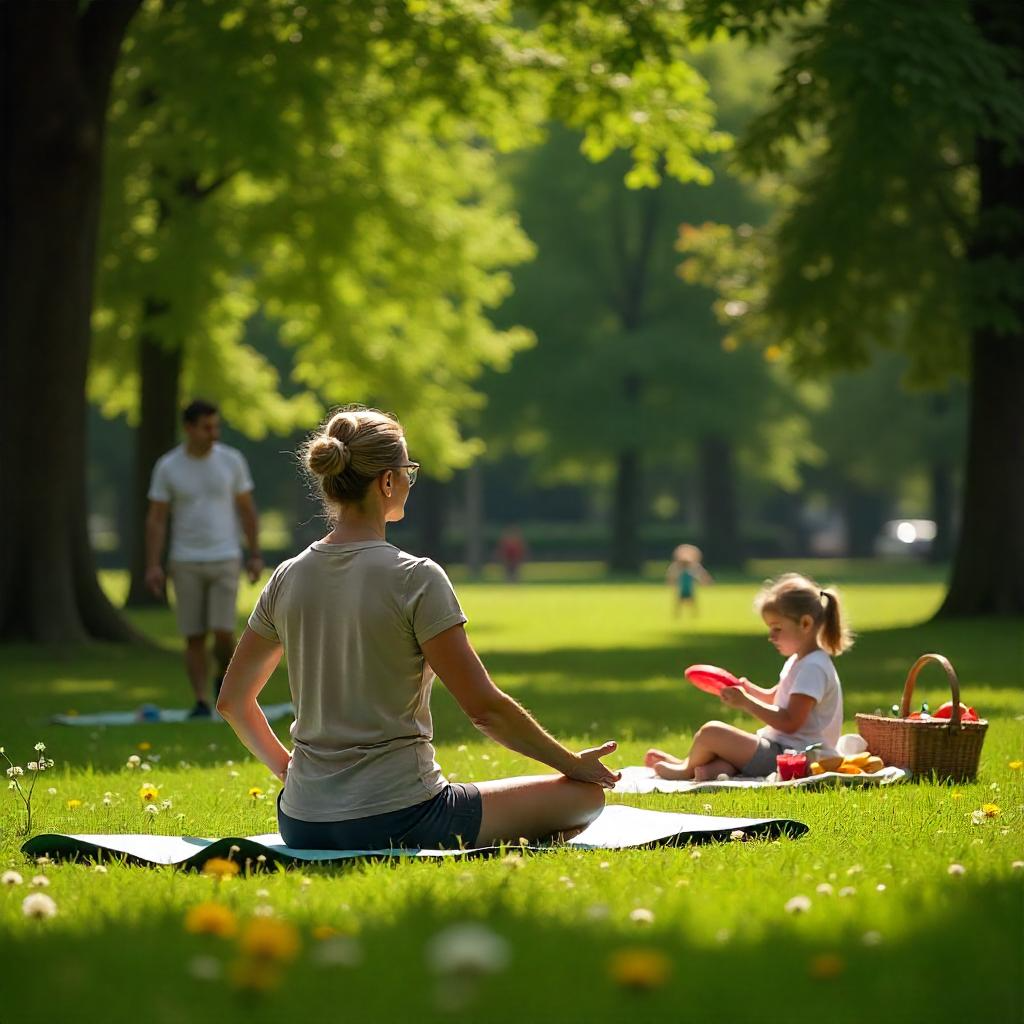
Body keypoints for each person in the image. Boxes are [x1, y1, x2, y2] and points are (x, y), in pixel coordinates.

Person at [216, 406, 619, 850]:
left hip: (301, 821)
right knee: (585, 797)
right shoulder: (416, 577)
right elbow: (484, 709)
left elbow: (234, 702)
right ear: (387, 481)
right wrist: (571, 764)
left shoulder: (286, 577)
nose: (410, 479)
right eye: (408, 469)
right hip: (405, 816)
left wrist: (289, 773)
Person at [645, 573, 852, 780]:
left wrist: (746, 702)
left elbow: (790, 721)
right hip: (784, 749)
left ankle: (685, 769)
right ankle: (705, 770)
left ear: (805, 624)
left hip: (798, 757)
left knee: (712, 732)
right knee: (723, 753)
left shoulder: (813, 668)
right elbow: (776, 698)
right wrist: (749, 690)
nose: (771, 637)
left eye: (777, 628)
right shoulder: (800, 661)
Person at [145, 399, 263, 718]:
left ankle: (221, 679)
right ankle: (200, 701)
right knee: (194, 635)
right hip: (185, 560)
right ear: (189, 429)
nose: (214, 433)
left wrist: (254, 554)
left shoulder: (231, 461)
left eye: (216, 426)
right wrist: (153, 564)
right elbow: (156, 518)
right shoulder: (168, 466)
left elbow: (246, 509)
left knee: (223, 632)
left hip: (225, 556)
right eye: (207, 427)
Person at [666, 543, 712, 618]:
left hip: (690, 589)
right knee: (678, 603)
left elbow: (701, 575)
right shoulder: (677, 568)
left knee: (693, 602)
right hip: (681, 589)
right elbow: (671, 576)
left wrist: (705, 582)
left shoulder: (693, 568)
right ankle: (677, 615)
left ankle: (694, 615)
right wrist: (671, 583)